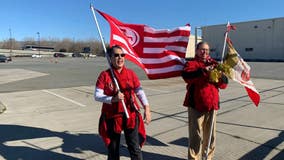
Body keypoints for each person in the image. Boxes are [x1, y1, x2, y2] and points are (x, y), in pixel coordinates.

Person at [94, 45, 151, 160]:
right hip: (113, 117)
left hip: (130, 115)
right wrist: (112, 99)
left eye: (122, 55)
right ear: (110, 57)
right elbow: (97, 95)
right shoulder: (105, 75)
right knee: (113, 150)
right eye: (116, 55)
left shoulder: (131, 74)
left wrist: (147, 108)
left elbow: (139, 92)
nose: (120, 58)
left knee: (134, 148)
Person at [181, 42, 228, 160]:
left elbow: (223, 85)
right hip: (196, 105)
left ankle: (208, 157)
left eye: (207, 50)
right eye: (202, 50)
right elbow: (187, 76)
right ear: (196, 50)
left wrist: (222, 76)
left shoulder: (215, 64)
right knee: (195, 137)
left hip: (212, 105)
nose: (205, 52)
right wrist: (204, 71)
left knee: (211, 136)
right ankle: (194, 158)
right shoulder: (191, 64)